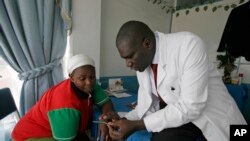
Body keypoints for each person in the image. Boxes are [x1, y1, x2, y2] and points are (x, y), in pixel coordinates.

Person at [106, 20, 247, 141]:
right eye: (125, 58)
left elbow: (191, 107)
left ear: (147, 44)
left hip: (214, 117)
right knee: (163, 137)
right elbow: (145, 106)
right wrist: (122, 120)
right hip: (185, 119)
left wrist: (137, 125)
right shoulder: (143, 64)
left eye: (130, 56)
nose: (128, 64)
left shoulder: (188, 45)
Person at [12, 54, 115, 141]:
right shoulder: (64, 106)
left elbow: (106, 103)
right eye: (82, 78)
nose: (88, 82)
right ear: (71, 78)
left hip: (62, 130)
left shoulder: (88, 84)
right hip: (30, 136)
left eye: (92, 77)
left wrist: (104, 119)